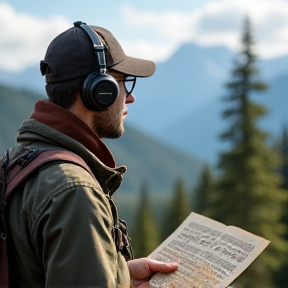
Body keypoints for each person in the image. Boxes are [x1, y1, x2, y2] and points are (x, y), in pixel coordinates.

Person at [7, 21, 178, 287]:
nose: (130, 98)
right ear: (100, 91)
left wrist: (119, 275)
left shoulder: (18, 160)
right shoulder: (75, 191)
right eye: (124, 83)